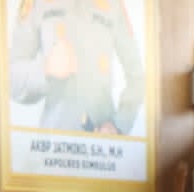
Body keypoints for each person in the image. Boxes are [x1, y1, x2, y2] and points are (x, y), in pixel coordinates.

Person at [10, 0, 145, 135]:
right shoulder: (35, 3)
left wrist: (119, 124)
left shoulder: (114, 4)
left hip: (102, 142)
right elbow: (11, 78)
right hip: (54, 144)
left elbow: (138, 77)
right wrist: (45, 69)